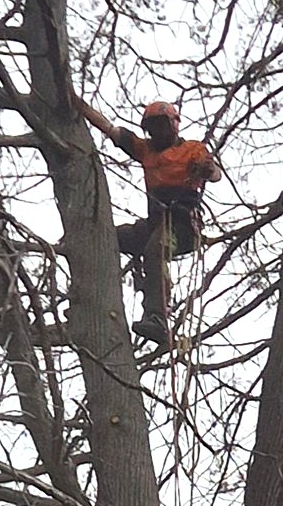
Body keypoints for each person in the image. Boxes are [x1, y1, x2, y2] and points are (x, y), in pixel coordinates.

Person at [74, 94, 222, 345]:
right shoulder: (146, 150)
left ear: (174, 124)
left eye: (162, 126)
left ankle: (158, 318)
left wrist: (208, 171)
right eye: (153, 128)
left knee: (155, 249)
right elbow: (111, 129)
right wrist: (78, 104)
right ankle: (85, 301)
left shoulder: (192, 150)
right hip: (155, 225)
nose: (157, 133)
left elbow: (214, 173)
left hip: (184, 226)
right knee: (109, 236)